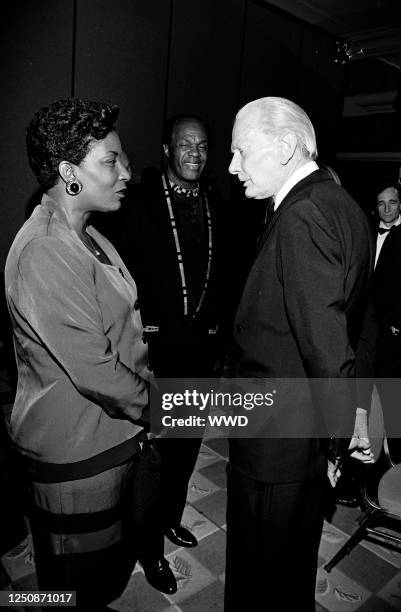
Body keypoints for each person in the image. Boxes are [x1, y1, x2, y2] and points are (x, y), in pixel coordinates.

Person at [225, 97, 375, 611]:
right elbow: (355, 326)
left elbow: (324, 341)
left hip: (277, 438)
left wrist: (342, 436)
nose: (232, 166)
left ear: (285, 147)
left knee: (260, 571)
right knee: (291, 561)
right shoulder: (343, 205)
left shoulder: (303, 215)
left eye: (241, 151)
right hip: (304, 433)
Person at [4, 98, 153, 609]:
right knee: (72, 587)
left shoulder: (88, 235)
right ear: (70, 172)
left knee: (103, 574)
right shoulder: (46, 248)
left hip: (111, 438)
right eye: (111, 161)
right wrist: (165, 405)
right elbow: (96, 371)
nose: (126, 171)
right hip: (76, 453)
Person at [113, 114, 229, 594]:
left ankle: (169, 521)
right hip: (154, 353)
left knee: (185, 450)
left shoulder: (218, 204)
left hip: (199, 352)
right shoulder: (136, 205)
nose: (196, 155)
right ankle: (147, 547)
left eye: (202, 146)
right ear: (167, 150)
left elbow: (228, 272)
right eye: (186, 145)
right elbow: (117, 280)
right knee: (154, 456)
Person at [373, 182, 401, 462]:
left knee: (393, 396)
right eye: (382, 203)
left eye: (392, 202)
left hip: (395, 332)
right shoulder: (370, 232)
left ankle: (396, 460)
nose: (387, 208)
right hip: (372, 328)